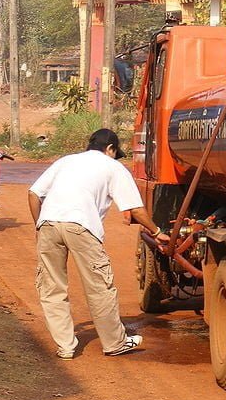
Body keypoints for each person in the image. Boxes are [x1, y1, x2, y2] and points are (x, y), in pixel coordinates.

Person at [28, 128, 170, 360]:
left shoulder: (66, 161)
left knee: (52, 288)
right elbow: (134, 209)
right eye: (115, 152)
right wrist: (156, 232)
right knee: (99, 287)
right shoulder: (113, 167)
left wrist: (38, 227)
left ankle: (65, 346)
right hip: (82, 226)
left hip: (49, 224)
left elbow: (34, 193)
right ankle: (114, 343)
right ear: (110, 149)